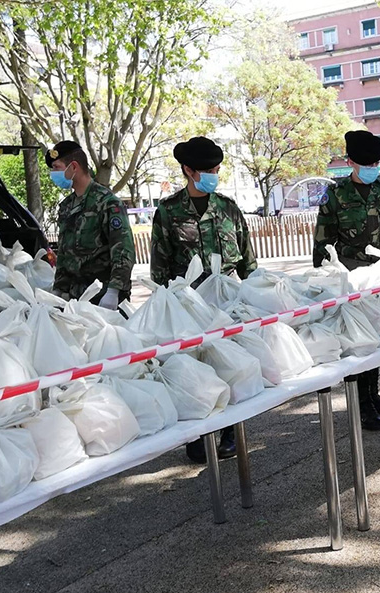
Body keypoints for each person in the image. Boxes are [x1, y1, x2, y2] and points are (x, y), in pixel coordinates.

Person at [150, 136, 257, 463]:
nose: (214, 174)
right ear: (188, 170)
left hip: (226, 302)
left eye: (216, 169)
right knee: (195, 371)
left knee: (230, 365)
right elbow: (160, 267)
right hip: (189, 305)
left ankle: (230, 432)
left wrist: (254, 296)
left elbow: (247, 262)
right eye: (207, 170)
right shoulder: (168, 212)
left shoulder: (227, 208)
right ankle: (199, 434)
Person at [313, 130, 380, 431]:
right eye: (366, 163)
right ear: (350, 162)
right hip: (350, 280)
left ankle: (373, 394)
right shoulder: (335, 196)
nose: (372, 167)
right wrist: (325, 278)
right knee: (358, 342)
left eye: (376, 162)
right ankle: (362, 404)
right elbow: (322, 242)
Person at [46, 141, 135, 309]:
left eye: (57, 167)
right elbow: (65, 253)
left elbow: (123, 250)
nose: (53, 173)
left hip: (104, 296)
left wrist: (113, 292)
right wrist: (58, 289)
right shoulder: (66, 207)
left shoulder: (107, 203)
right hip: (76, 297)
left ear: (73, 167)